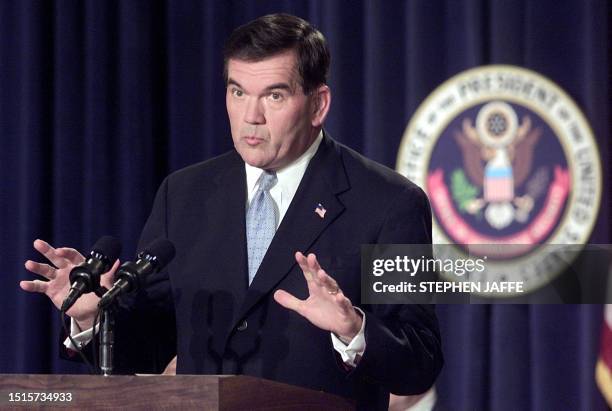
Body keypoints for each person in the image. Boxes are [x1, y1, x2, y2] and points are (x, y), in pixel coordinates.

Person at [20, 13, 442, 410]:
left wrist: (354, 331)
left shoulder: (389, 202)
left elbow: (420, 360)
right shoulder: (184, 194)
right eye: (238, 92)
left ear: (318, 105)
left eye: (274, 95)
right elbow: (154, 341)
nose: (250, 117)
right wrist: (96, 317)